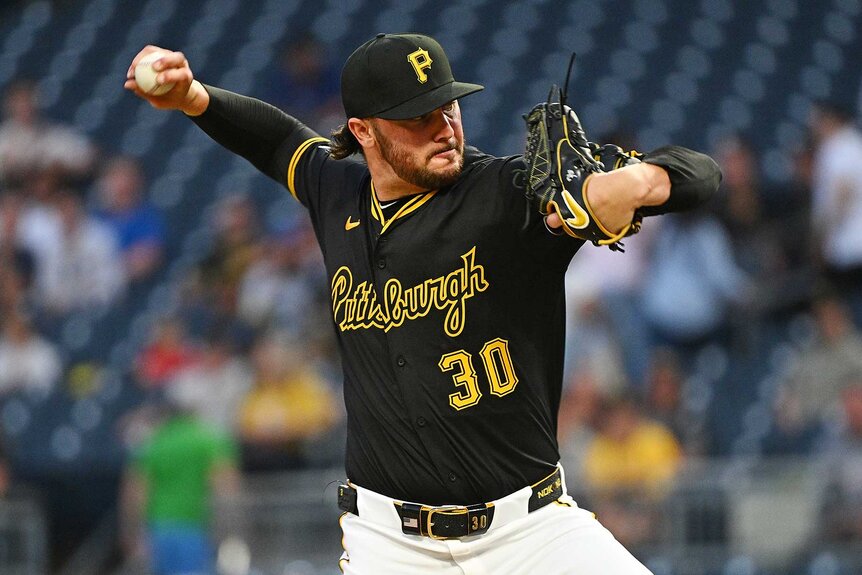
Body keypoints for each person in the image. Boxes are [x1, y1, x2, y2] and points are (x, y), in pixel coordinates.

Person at [125, 33, 720, 575]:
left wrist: (639, 184)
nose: (444, 127)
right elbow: (280, 140)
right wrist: (196, 98)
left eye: (449, 105)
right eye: (418, 116)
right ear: (363, 131)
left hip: (530, 530)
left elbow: (703, 172)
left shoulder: (510, 195)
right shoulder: (336, 194)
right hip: (391, 545)